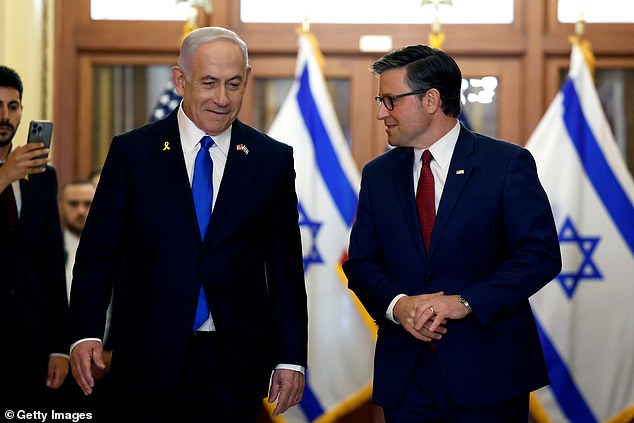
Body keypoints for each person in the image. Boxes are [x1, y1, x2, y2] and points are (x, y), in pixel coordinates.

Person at [69, 26, 307, 422]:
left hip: (234, 364)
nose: (222, 98)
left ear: (247, 79)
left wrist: (291, 359)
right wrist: (86, 330)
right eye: (209, 83)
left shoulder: (271, 160)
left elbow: (285, 269)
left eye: (233, 84)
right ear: (180, 80)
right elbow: (97, 254)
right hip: (145, 359)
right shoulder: (132, 153)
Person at [342, 45, 562, 422]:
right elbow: (361, 263)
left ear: (431, 100)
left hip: (488, 371)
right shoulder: (378, 174)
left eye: (390, 100)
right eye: (381, 100)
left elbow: (539, 256)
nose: (381, 113)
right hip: (407, 374)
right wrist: (398, 305)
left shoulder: (506, 164)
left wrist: (465, 301)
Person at [0, 65, 69, 405]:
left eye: (12, 107)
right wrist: (3, 176)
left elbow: (52, 265)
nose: (5, 115)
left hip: (31, 341)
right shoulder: (12, 171)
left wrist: (60, 346)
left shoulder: (42, 176)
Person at [60, 178, 95, 302]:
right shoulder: (47, 249)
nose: (81, 211)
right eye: (73, 204)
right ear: (61, 205)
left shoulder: (117, 248)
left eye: (88, 204)